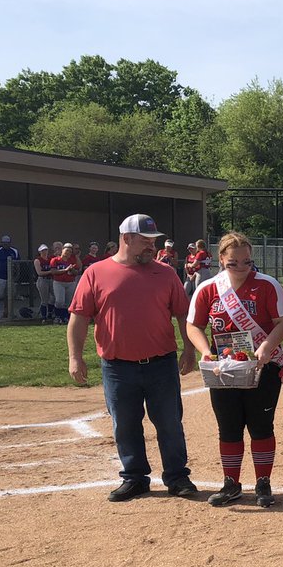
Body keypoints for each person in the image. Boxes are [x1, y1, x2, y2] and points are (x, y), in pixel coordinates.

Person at [67, 213, 198, 501]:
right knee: (124, 424)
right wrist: (75, 357)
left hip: (161, 363)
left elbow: (182, 315)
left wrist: (189, 350)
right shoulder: (96, 272)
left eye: (154, 241)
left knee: (169, 422)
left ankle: (177, 477)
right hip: (117, 366)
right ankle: (135, 477)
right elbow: (78, 318)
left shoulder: (164, 273)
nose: (152, 246)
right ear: (126, 239)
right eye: (145, 241)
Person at [186, 232, 283, 509]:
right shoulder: (209, 288)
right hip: (223, 369)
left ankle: (263, 482)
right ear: (221, 260)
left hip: (263, 366)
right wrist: (204, 351)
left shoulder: (267, 285)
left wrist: (268, 346)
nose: (242, 268)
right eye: (234, 263)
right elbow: (193, 325)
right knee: (229, 427)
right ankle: (231, 483)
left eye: (247, 262)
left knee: (261, 426)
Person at [50, 243, 81, 323]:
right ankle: (57, 316)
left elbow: (77, 272)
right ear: (62, 250)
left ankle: (64, 317)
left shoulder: (72, 260)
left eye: (70, 252)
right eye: (66, 251)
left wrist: (72, 270)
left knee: (68, 302)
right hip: (58, 282)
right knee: (60, 301)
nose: (68, 253)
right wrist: (65, 270)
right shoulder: (55, 260)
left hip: (70, 282)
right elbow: (53, 271)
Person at [33, 244, 54, 323]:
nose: (45, 252)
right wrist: (50, 272)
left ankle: (50, 313)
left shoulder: (50, 259)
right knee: (44, 299)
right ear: (40, 252)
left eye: (46, 250)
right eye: (43, 251)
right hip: (43, 280)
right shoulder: (38, 260)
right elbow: (39, 273)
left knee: (53, 297)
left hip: (51, 279)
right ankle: (43, 316)